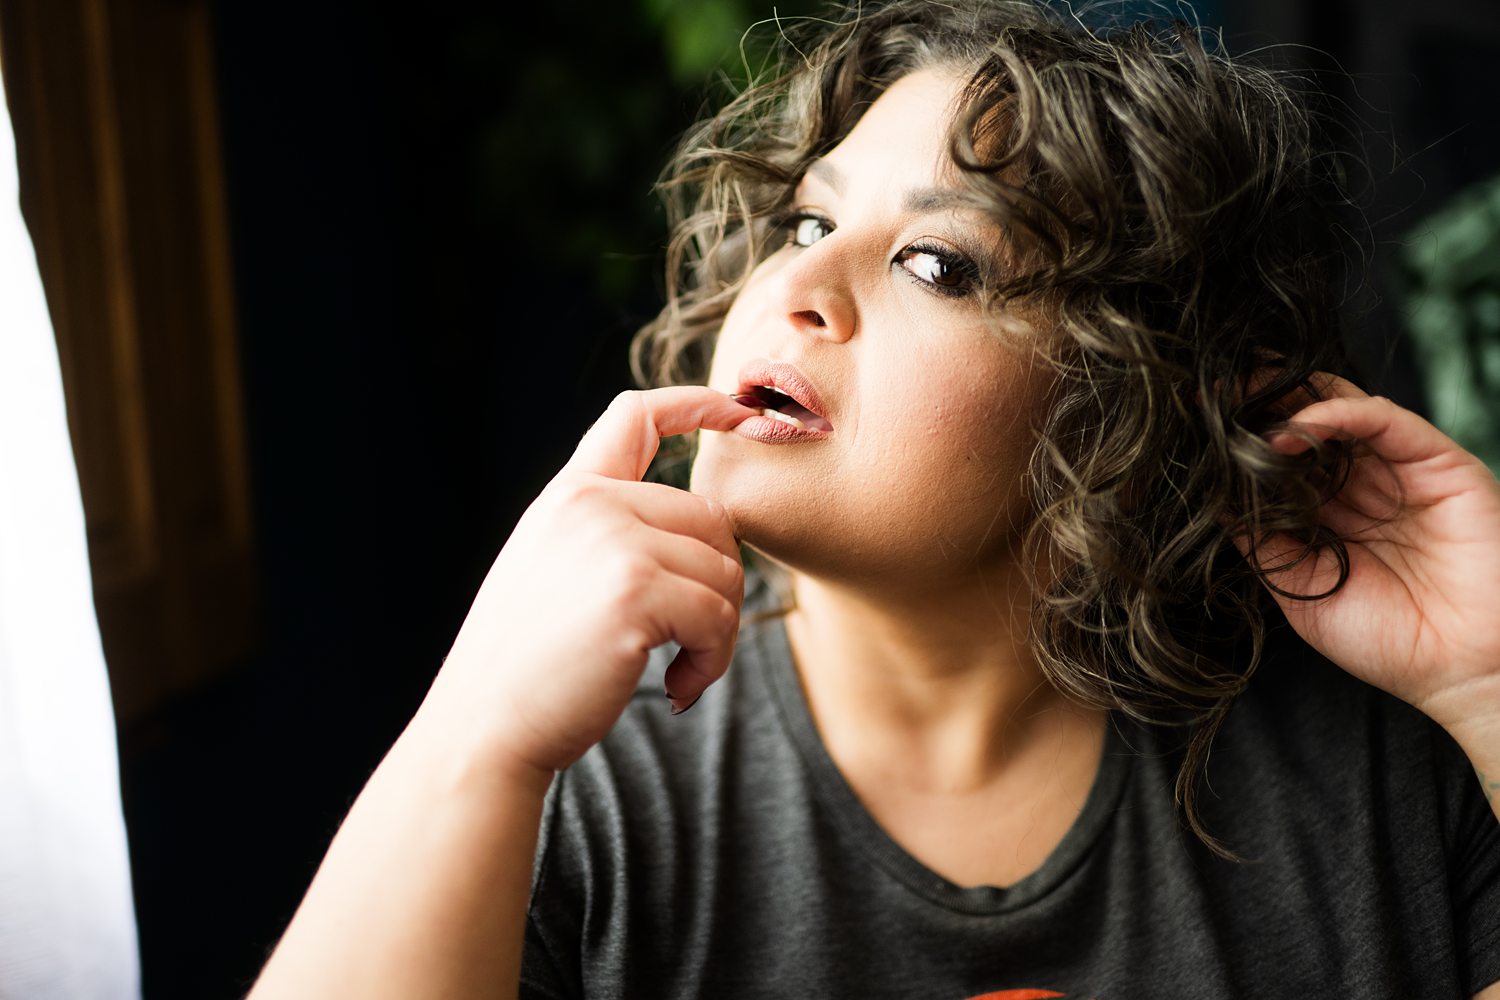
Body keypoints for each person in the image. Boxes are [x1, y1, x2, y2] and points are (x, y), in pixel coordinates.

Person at [248, 1, 1500, 996]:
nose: (798, 287)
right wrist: (471, 733)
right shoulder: (564, 777)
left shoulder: (1387, 769)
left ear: (1134, 399)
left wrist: (1493, 684)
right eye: (807, 222)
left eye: (935, 263)